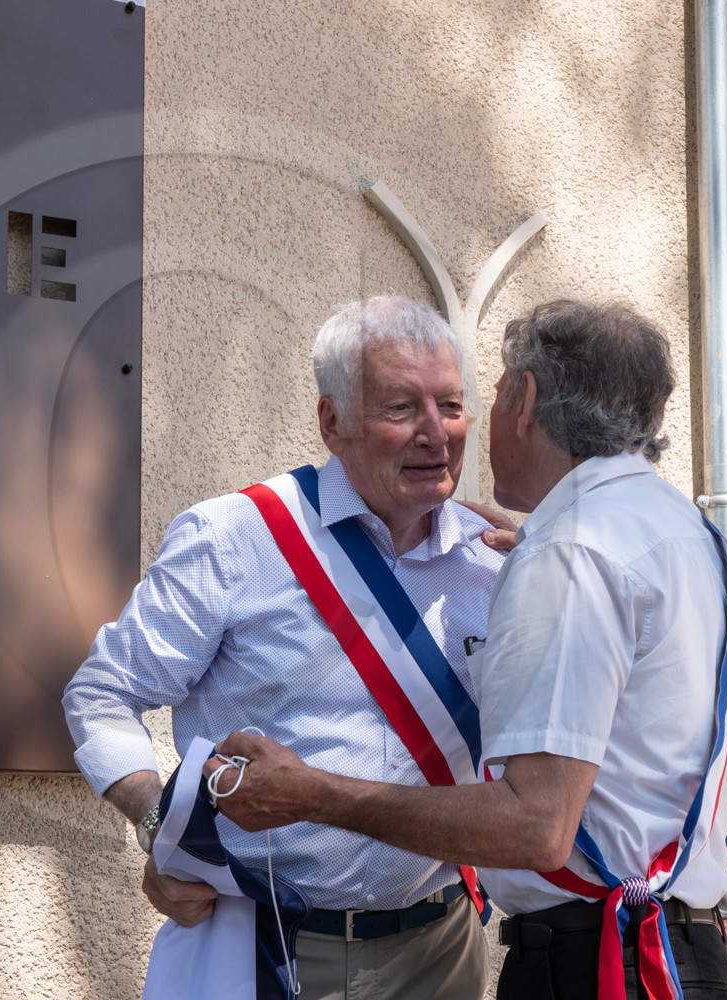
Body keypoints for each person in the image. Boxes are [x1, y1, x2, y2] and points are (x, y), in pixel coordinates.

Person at [209, 299, 727, 999]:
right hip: (677, 949)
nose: (449, 432)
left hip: (597, 964)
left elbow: (536, 826)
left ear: (523, 400)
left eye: (478, 397)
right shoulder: (694, 535)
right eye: (405, 406)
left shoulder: (575, 551)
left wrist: (314, 794)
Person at [62, 295, 512, 999]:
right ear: (333, 423)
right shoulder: (235, 537)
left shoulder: (499, 563)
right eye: (401, 409)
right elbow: (101, 695)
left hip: (442, 949)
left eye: (451, 405)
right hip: (264, 948)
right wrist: (160, 825)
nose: (437, 434)